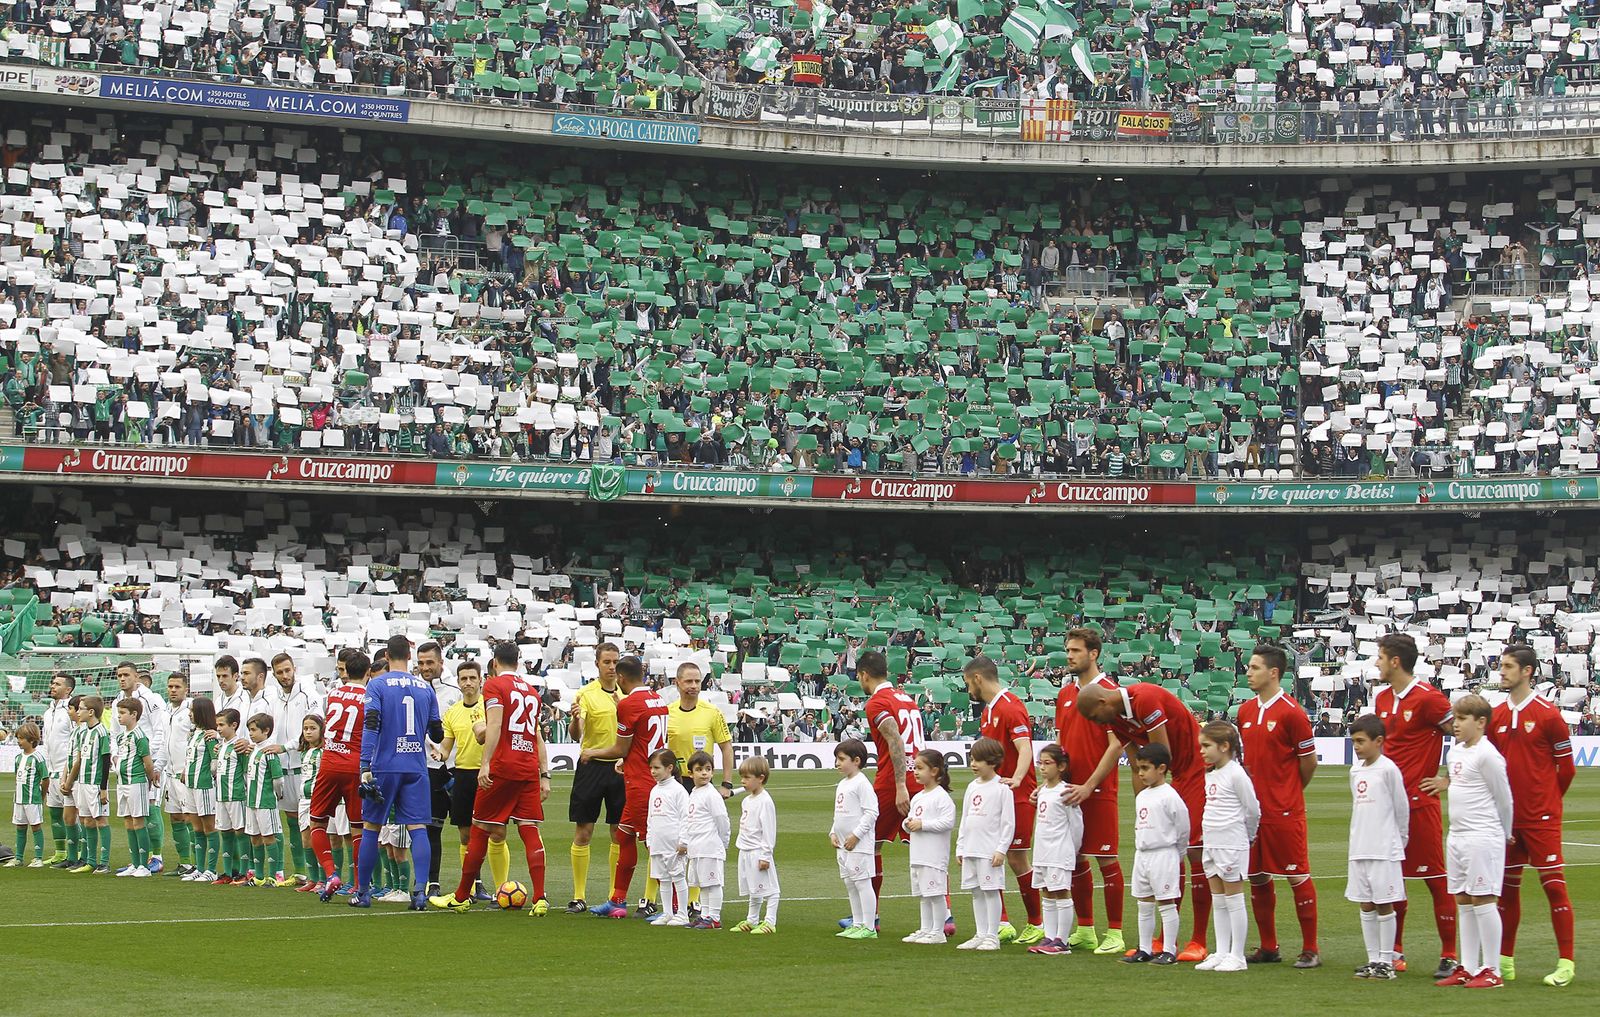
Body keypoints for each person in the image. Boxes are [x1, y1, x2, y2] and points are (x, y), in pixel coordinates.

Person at [1076, 679, 1210, 960]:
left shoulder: (1144, 699)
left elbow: (1162, 757)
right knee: (1170, 859)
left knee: (1193, 851)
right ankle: (1163, 940)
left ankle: (1198, 940)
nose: (1097, 723)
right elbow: (1137, 762)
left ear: (1103, 702)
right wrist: (1143, 802)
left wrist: (1159, 796)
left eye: (1095, 717)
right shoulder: (1115, 718)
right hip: (1172, 775)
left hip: (1193, 769)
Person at [430, 642, 551, 914]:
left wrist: (485, 763)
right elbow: (536, 736)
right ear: (518, 662)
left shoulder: (495, 686)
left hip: (503, 766)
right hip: (528, 766)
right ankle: (540, 898)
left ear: (495, 663)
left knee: (480, 828)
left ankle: (461, 896)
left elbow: (495, 724)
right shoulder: (532, 692)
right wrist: (545, 774)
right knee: (529, 829)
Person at [1369, 632, 1458, 977]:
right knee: (1391, 881)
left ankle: (1449, 954)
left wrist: (1448, 778)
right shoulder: (1381, 698)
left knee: (1435, 879)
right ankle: (1394, 951)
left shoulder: (1429, 698)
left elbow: (1466, 734)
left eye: (1380, 657)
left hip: (1419, 804)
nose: (1376, 663)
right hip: (1385, 807)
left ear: (1395, 661)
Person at [1488, 644, 1577, 987]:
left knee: (1553, 887)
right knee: (1507, 890)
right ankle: (1504, 961)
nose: (1502, 671)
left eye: (1508, 666)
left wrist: (1547, 804)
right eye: (1501, 665)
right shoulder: (1496, 715)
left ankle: (1566, 963)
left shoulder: (1548, 715)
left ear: (1526, 671)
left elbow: (1566, 769)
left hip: (1541, 819)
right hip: (1508, 821)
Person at [1237, 643, 1321, 968]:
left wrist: (1289, 792)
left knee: (1296, 875)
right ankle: (1268, 946)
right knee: (1257, 876)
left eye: (1254, 667)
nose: (1248, 672)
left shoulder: (1292, 713)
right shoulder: (1245, 711)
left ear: (1273, 673)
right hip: (1253, 814)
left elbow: (1308, 762)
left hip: (1284, 811)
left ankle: (1311, 949)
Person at [1434, 694, 1514, 990]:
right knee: (1463, 898)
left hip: (1483, 835)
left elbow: (1504, 798)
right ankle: (1467, 967)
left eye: (1461, 719)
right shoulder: (1455, 752)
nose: (1455, 724)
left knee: (1483, 899)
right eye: (1454, 718)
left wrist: (1506, 832)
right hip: (1458, 835)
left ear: (1480, 722)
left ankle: (1492, 969)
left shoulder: (1488, 755)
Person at [358, 635, 444, 910]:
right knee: (418, 828)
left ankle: (363, 893)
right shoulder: (425, 688)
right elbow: (437, 732)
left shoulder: (377, 684)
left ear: (386, 655)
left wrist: (364, 765)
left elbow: (371, 724)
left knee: (372, 827)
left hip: (385, 764)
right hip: (415, 766)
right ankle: (419, 893)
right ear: (409, 656)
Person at [962, 655, 1042, 945]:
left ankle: (1037, 922)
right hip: (994, 794)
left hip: (1016, 794)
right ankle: (1001, 923)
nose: (968, 690)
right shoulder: (989, 711)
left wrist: (1017, 779)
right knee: (988, 855)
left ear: (978, 678)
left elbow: (1025, 748)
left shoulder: (1011, 706)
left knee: (1017, 858)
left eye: (968, 683)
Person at [1056, 628, 1127, 955]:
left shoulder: (1111, 693)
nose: (1069, 656)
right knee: (1074, 858)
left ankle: (1115, 933)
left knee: (1106, 858)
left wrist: (1089, 785)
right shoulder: (1065, 694)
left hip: (1097, 790)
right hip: (1069, 791)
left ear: (1094, 653)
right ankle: (1085, 929)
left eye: (1076, 650)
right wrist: (1052, 783)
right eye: (1068, 650)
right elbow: (1061, 742)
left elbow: (1116, 745)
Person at [579, 654, 667, 918]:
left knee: (655, 845)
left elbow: (620, 747)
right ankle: (617, 901)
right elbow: (643, 742)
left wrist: (591, 752)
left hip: (641, 783)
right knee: (624, 836)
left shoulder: (629, 704)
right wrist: (625, 760)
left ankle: (674, 906)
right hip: (648, 776)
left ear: (620, 677)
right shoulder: (658, 699)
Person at [854, 650, 924, 929]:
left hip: (894, 780)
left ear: (864, 675)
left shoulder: (877, 702)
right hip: (922, 775)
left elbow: (895, 738)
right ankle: (945, 915)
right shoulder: (906, 698)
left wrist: (899, 785)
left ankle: (870, 916)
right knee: (927, 846)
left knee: (870, 845)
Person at [661, 660, 734, 914]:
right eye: (688, 681)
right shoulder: (667, 712)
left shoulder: (712, 712)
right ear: (677, 683)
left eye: (697, 681)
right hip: (673, 783)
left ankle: (694, 901)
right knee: (669, 840)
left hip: (701, 783)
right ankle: (660, 901)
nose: (693, 685)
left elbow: (726, 747)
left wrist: (726, 783)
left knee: (698, 839)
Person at [434, 659, 508, 901]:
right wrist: (439, 754)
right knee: (466, 834)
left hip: (489, 774)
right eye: (463, 679)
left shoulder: (492, 707)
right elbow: (446, 747)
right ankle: (474, 885)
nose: (468, 683)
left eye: (472, 678)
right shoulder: (452, 712)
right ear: (458, 682)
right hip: (463, 775)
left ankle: (501, 888)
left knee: (496, 832)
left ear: (480, 680)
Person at [1347, 714, 1408, 980]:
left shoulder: (1388, 769)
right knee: (1366, 904)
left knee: (1384, 904)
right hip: (1360, 847)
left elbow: (1401, 808)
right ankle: (1373, 959)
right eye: (1354, 741)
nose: (1357, 746)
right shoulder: (1355, 771)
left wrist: (1399, 840)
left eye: (1361, 741)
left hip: (1384, 848)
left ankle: (1386, 961)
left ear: (1379, 741)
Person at [567, 641, 626, 913]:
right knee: (584, 830)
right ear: (597, 664)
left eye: (615, 662)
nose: (612, 667)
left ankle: (615, 896)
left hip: (620, 767)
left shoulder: (627, 693)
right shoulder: (586, 694)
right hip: (591, 766)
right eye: (607, 662)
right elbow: (576, 735)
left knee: (618, 832)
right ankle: (579, 896)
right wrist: (574, 720)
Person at [1196, 721, 1259, 973]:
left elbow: (1252, 809)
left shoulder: (1236, 774)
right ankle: (1222, 951)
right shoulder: (1211, 774)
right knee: (1218, 899)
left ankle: (1237, 955)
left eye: (1206, 745)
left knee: (1234, 899)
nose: (1202, 751)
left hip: (1231, 843)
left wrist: (1248, 836)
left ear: (1224, 746)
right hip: (1212, 842)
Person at [313, 649, 370, 901]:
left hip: (329, 763)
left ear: (346, 670)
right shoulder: (369, 697)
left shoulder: (332, 694)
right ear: (368, 672)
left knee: (317, 822)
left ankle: (330, 874)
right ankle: (358, 885)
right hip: (355, 766)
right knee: (358, 829)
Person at [1123, 743, 1187, 966]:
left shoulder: (1170, 796)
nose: (1140, 773)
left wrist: (1177, 853)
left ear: (1161, 768)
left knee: (1166, 902)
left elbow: (1183, 828)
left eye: (1145, 768)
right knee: (1144, 902)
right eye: (1139, 768)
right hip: (1143, 855)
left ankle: (1169, 950)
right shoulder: (1142, 795)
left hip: (1163, 854)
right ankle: (1144, 948)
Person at [956, 737, 1014, 952]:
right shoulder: (972, 787)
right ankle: (980, 934)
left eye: (978, 760)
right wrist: (961, 847)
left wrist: (1001, 849)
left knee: (991, 891)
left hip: (989, 850)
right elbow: (965, 819)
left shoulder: (1002, 788)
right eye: (972, 759)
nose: (973, 764)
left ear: (992, 761)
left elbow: (1008, 823)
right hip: (971, 848)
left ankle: (992, 935)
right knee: (976, 892)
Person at [415, 640, 462, 896]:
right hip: (427, 769)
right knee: (432, 829)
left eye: (430, 662)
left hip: (457, 768)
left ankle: (474, 884)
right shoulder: (413, 690)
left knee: (467, 830)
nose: (425, 668)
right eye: (421, 663)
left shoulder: (455, 691)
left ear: (441, 662)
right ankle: (432, 883)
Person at [265, 653, 316, 886]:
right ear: (274, 674)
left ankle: (318, 875)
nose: (285, 676)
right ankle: (300, 872)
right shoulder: (273, 698)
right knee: (292, 819)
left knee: (311, 822)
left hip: (304, 766)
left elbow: (316, 727)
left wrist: (287, 747)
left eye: (287, 670)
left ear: (294, 668)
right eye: (280, 672)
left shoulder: (307, 693)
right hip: (283, 767)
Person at [114, 661, 167, 872]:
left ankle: (157, 857)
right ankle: (137, 860)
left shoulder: (151, 699)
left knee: (151, 808)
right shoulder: (118, 701)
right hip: (126, 767)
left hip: (146, 763)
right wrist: (116, 756)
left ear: (137, 677)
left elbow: (160, 731)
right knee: (130, 817)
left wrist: (153, 761)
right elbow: (115, 733)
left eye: (126, 675)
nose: (122, 679)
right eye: (119, 675)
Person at [903, 749, 955, 945]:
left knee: (935, 894)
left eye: (919, 768)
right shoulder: (918, 797)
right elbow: (911, 819)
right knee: (924, 895)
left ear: (934, 771)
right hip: (918, 854)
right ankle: (926, 929)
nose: (915, 772)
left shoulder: (941, 797)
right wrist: (907, 824)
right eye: (914, 768)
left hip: (933, 856)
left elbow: (947, 822)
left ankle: (938, 931)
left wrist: (923, 824)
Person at [832, 738, 880, 940]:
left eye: (842, 759)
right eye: (837, 759)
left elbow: (872, 812)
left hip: (858, 845)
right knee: (851, 884)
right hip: (843, 845)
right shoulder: (843, 783)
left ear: (856, 760)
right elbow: (839, 813)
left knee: (862, 883)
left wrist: (856, 835)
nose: (837, 763)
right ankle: (857, 923)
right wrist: (833, 832)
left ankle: (869, 927)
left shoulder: (862, 783)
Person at [296, 715, 350, 894]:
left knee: (330, 838)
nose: (308, 732)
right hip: (304, 800)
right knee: (306, 839)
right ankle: (313, 879)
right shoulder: (304, 752)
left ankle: (327, 878)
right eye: (305, 728)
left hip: (321, 798)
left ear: (322, 731)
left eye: (313, 728)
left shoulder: (326, 752)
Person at [683, 750, 731, 930]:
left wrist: (723, 843)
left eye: (708, 769)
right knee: (703, 884)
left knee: (713, 883)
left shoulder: (711, 794)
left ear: (712, 772)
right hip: (696, 848)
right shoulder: (695, 793)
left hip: (710, 846)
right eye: (699, 769)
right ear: (691, 773)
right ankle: (705, 915)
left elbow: (722, 820)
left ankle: (714, 917)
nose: (704, 773)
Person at [63, 695, 111, 874]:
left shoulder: (101, 732)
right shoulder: (83, 733)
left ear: (91, 712)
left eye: (81, 708)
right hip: (82, 783)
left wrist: (103, 788)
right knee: (86, 820)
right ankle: (90, 861)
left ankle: (104, 863)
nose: (78, 712)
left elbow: (106, 761)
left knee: (100, 820)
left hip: (95, 784)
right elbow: (79, 759)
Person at [730, 755, 778, 934]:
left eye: (747, 777)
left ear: (760, 778)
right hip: (745, 850)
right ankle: (752, 919)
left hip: (758, 851)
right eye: (741, 777)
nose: (742, 781)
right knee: (753, 887)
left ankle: (770, 921)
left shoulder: (765, 801)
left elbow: (769, 830)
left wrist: (765, 855)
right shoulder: (747, 800)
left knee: (770, 888)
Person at [112, 699, 159, 878]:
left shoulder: (140, 736)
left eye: (123, 713)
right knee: (128, 821)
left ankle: (144, 866)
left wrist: (149, 779)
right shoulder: (121, 736)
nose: (119, 717)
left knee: (138, 821)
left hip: (136, 782)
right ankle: (135, 863)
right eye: (118, 713)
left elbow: (148, 762)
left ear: (134, 714)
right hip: (122, 782)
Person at [645, 748, 691, 926]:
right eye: (651, 768)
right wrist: (650, 839)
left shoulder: (678, 790)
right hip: (658, 843)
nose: (653, 771)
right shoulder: (654, 790)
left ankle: (683, 913)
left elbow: (686, 817)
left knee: (677, 877)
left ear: (670, 768)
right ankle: (667, 913)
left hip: (674, 844)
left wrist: (684, 841)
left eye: (656, 768)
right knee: (663, 878)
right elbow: (650, 818)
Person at [244, 713, 288, 885]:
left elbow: (278, 779)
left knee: (268, 837)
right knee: (254, 838)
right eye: (249, 730)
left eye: (254, 730)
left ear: (266, 731)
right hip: (251, 802)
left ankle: (273, 875)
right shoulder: (253, 750)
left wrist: (277, 794)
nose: (251, 733)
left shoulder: (269, 752)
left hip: (265, 802)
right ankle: (259, 877)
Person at [160, 673, 196, 877]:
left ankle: (198, 864)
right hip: (170, 773)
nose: (173, 690)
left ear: (186, 689)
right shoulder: (166, 711)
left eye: (177, 687)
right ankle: (185, 862)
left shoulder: (191, 710)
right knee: (175, 817)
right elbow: (164, 741)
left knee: (190, 817)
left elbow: (195, 740)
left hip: (185, 774)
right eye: (170, 686)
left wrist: (188, 767)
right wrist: (159, 766)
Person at [182, 698, 221, 881]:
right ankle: (199, 867)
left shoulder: (209, 735)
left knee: (209, 827)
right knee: (196, 828)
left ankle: (211, 870)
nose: (189, 714)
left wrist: (211, 775)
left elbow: (215, 761)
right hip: (190, 785)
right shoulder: (193, 734)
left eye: (192, 710)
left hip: (204, 785)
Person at [42, 673, 76, 866]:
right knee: (54, 813)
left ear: (68, 689)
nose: (52, 686)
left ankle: (76, 852)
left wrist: (69, 771)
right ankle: (60, 852)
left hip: (66, 771)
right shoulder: (48, 712)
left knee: (71, 815)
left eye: (57, 684)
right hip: (51, 769)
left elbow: (75, 741)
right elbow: (46, 742)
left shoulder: (72, 711)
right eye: (52, 683)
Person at [213, 708, 248, 884]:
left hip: (236, 795)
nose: (218, 729)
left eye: (221, 725)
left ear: (233, 725)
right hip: (221, 795)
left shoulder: (240, 746)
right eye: (217, 725)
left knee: (240, 831)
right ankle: (228, 872)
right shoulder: (221, 746)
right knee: (225, 832)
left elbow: (246, 771)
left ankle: (244, 871)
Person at [9, 722, 47, 868]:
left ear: (31, 740)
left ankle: (38, 858)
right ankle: (18, 858)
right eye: (17, 738)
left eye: (21, 738)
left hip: (32, 799)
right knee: (20, 827)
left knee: (35, 827)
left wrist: (41, 796)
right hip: (19, 799)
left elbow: (45, 779)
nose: (18, 741)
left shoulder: (38, 758)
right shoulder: (18, 758)